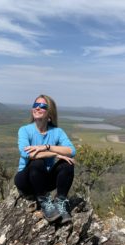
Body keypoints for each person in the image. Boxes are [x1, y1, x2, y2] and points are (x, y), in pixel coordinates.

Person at [15, 94, 76, 224]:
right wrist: (54, 154)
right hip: (26, 180)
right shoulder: (25, 130)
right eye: (35, 105)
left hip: (44, 180)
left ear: (50, 113)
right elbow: (28, 154)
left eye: (42, 106)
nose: (37, 108)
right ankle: (45, 203)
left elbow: (72, 151)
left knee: (67, 163)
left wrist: (46, 147)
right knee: (37, 162)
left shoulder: (57, 132)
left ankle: (60, 203)